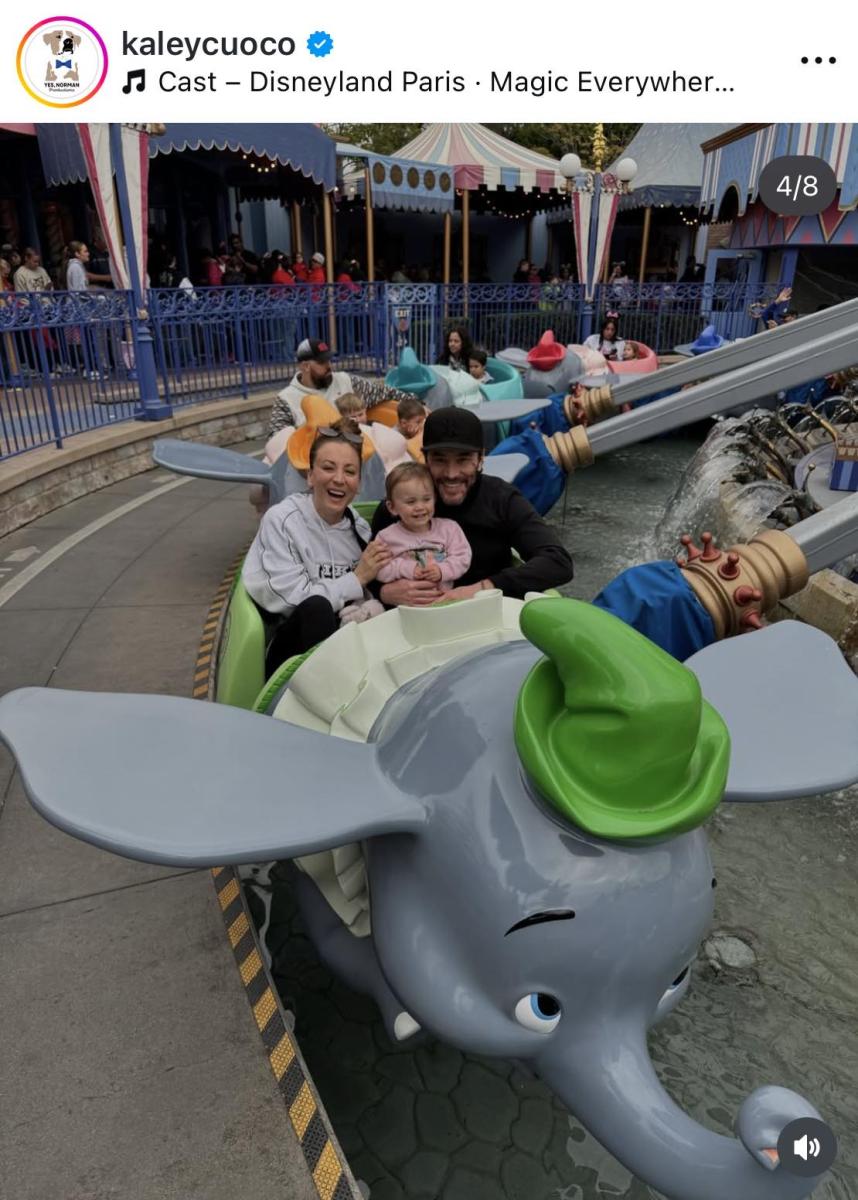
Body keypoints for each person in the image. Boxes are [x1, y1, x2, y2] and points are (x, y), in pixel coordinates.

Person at [370, 407, 574, 605]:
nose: (451, 473)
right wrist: (383, 592)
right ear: (425, 459)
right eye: (440, 460)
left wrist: (483, 589)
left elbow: (557, 561)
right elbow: (363, 567)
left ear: (480, 458)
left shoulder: (501, 498)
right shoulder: (400, 506)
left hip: (487, 615)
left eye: (463, 460)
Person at [242, 427, 392, 670]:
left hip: (348, 645)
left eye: (350, 471)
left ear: (358, 483)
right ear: (310, 476)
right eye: (328, 468)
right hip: (292, 656)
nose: (339, 479)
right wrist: (356, 579)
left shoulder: (360, 529)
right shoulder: (282, 520)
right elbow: (292, 601)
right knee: (317, 608)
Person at [269, 338, 417, 435]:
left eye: (329, 360)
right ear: (306, 366)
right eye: (322, 362)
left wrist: (416, 404)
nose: (329, 366)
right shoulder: (286, 400)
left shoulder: (345, 380)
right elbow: (278, 443)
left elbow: (385, 392)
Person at [375, 462, 472, 592]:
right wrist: (407, 569)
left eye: (426, 499)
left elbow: (463, 557)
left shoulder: (449, 529)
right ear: (392, 507)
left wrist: (442, 570)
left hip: (445, 599)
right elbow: (379, 569)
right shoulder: (386, 537)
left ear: (435, 499)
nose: (420, 507)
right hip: (405, 602)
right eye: (411, 502)